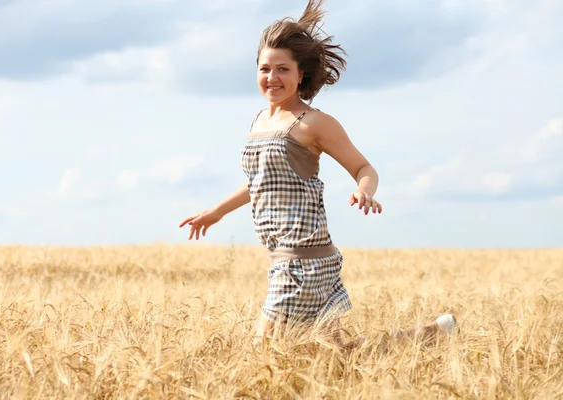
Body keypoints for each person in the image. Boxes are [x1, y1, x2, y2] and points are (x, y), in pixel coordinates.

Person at [179, 0, 457, 354]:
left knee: (261, 352)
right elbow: (260, 182)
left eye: (282, 69)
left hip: (303, 260)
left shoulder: (313, 123)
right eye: (265, 68)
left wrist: (364, 191)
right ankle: (433, 334)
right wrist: (216, 211)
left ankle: (433, 335)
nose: (272, 77)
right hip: (281, 255)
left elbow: (364, 168)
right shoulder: (259, 122)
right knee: (335, 358)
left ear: (300, 74)